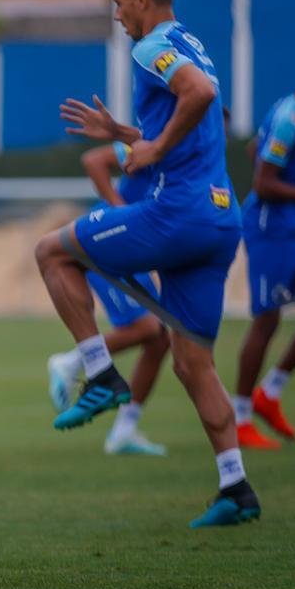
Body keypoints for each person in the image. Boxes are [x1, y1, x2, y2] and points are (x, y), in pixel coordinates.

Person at [35, 0, 258, 527]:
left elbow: (198, 95)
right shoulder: (192, 43)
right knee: (193, 363)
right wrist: (126, 132)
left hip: (178, 214)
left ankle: (99, 372)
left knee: (52, 251)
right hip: (220, 218)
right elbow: (199, 106)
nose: (117, 15)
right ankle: (235, 486)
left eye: (118, 3)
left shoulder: (149, 45)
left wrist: (153, 148)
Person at [47, 140, 170, 456]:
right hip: (109, 240)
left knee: (160, 340)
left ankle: (124, 431)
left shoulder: (194, 157)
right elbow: (94, 160)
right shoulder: (153, 141)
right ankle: (71, 362)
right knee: (148, 328)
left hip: (133, 249)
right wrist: (121, 211)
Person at [235, 68, 295, 448]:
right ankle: (239, 418)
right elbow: (263, 183)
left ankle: (270, 392)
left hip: (293, 230)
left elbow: (254, 149)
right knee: (267, 320)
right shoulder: (290, 119)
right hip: (268, 230)